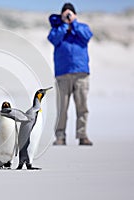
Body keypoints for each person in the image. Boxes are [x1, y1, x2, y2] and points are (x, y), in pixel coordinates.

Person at [47, 3, 93, 145]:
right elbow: (53, 39)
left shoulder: (82, 27)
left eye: (70, 13)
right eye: (65, 14)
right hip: (63, 74)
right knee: (62, 108)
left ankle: (82, 135)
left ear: (75, 14)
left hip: (81, 73)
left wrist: (74, 23)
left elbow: (87, 36)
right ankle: (60, 137)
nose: (68, 16)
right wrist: (63, 25)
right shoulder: (57, 30)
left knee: (82, 107)